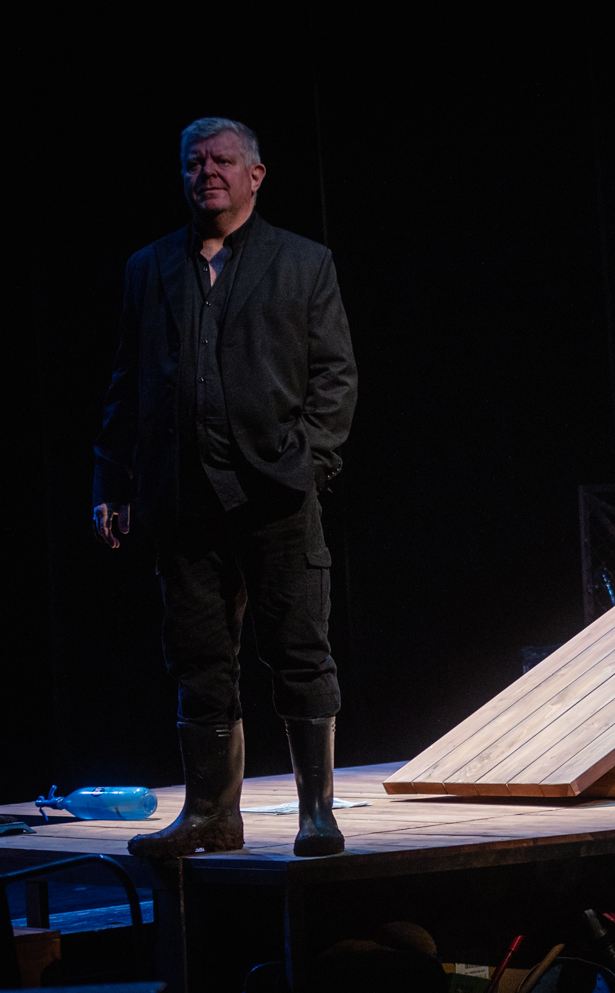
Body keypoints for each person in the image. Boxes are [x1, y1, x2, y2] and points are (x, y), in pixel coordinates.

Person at [94, 118, 360, 857]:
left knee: (299, 652)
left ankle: (317, 814)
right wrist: (112, 477)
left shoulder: (303, 262)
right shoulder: (150, 266)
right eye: (194, 162)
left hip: (275, 495)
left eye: (222, 160)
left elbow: (336, 375)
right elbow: (126, 380)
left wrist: (309, 463)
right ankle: (213, 814)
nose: (206, 172)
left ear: (255, 175)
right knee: (198, 659)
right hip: (182, 499)